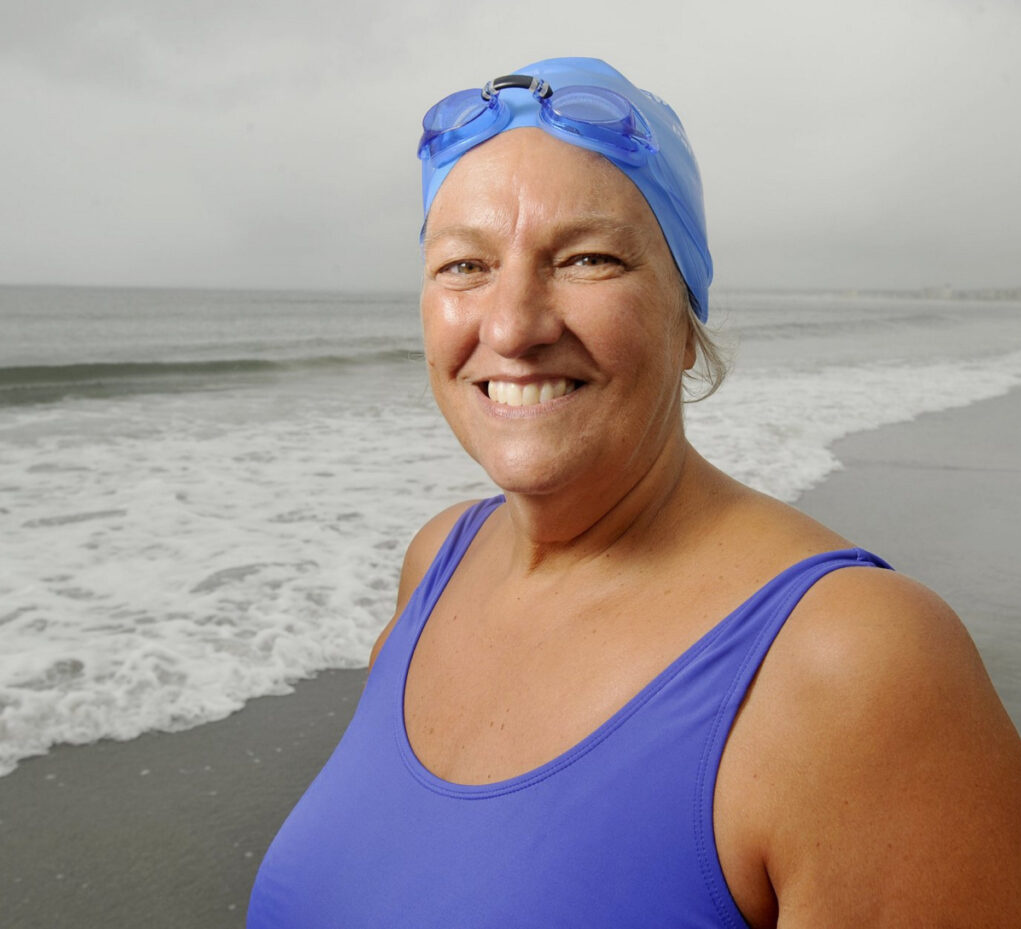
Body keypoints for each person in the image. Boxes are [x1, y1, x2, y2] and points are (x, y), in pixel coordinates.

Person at [247, 58, 1021, 927]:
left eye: (585, 259)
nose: (510, 326)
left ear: (683, 318)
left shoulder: (856, 665)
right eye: (463, 265)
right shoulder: (437, 562)